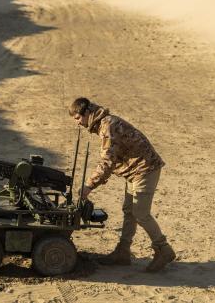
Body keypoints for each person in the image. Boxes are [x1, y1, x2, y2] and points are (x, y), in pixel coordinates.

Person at [69, 97, 175, 272]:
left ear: (87, 113)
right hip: (135, 170)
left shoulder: (107, 126)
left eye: (78, 118)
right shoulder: (104, 124)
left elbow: (107, 162)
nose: (78, 123)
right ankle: (123, 252)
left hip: (145, 168)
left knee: (140, 213)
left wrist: (88, 186)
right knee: (129, 210)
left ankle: (164, 250)